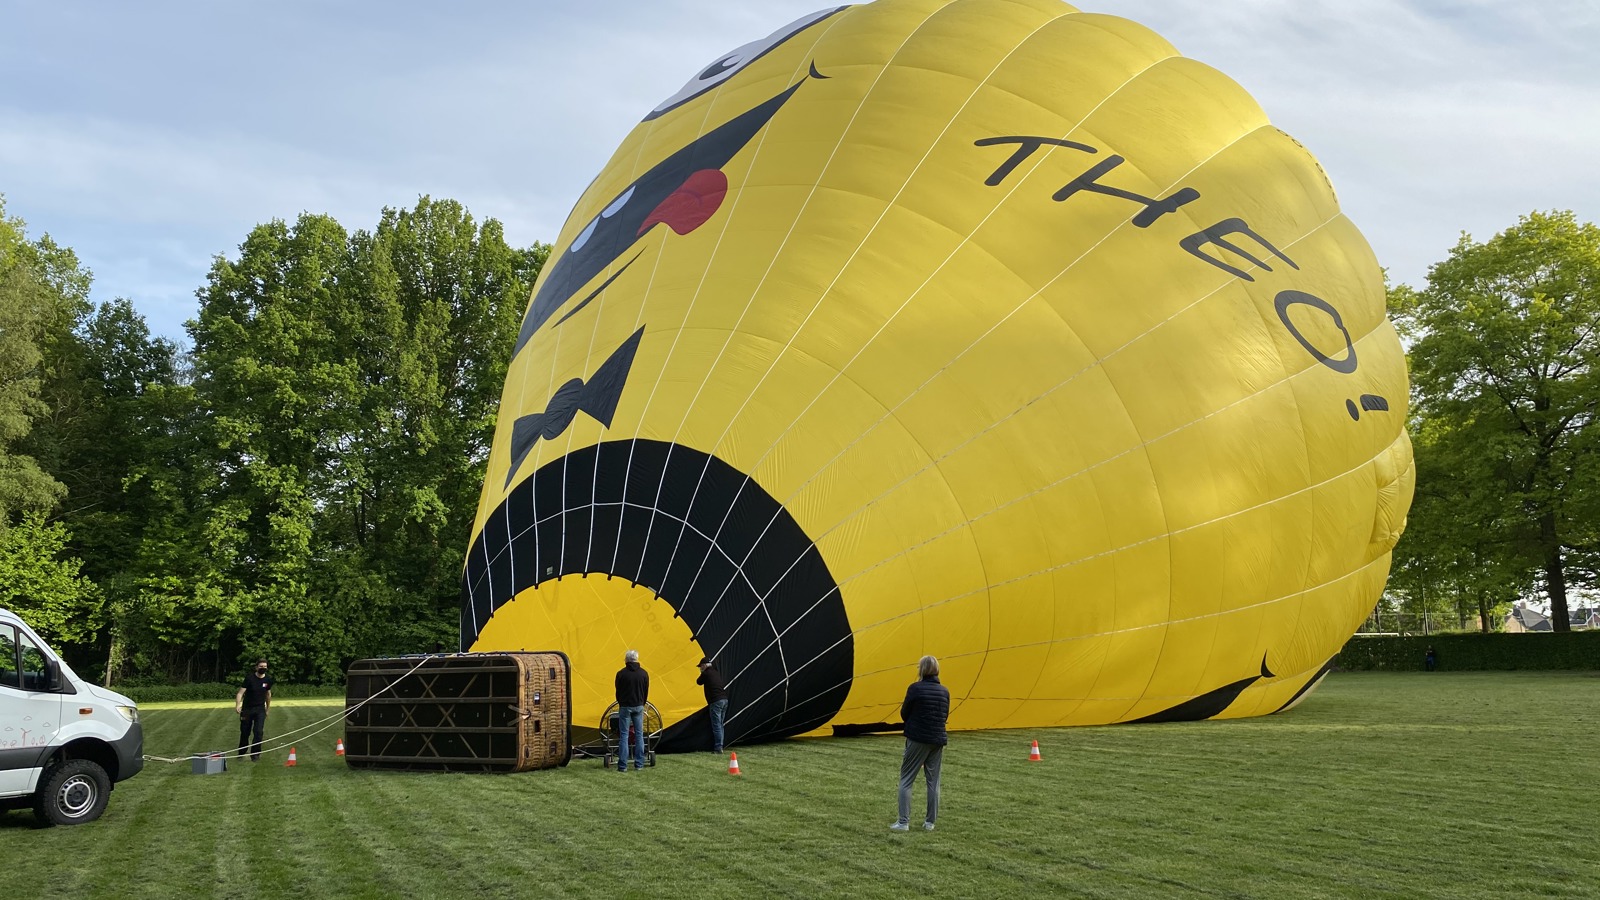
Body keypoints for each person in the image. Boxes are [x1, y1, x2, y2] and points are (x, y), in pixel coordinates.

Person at [892, 654, 949, 832]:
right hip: (937, 739)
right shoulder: (944, 691)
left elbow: (904, 712)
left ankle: (903, 822)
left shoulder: (915, 689)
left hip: (918, 738)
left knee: (906, 779)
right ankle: (930, 822)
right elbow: (945, 715)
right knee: (933, 782)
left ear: (922, 670)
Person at [614, 649, 649, 772]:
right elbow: (646, 692)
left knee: (624, 735)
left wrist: (621, 702)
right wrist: (642, 703)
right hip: (639, 705)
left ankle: (623, 765)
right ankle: (639, 763)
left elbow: (617, 691)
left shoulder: (621, 674)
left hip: (625, 706)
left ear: (626, 660)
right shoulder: (644, 674)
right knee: (639, 734)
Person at [235, 657, 274, 761]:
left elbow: (268, 694)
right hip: (247, 709)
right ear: (256, 667)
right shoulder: (249, 679)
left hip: (260, 709)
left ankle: (255, 755)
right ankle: (241, 753)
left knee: (258, 732)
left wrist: (267, 708)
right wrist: (238, 705)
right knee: (245, 732)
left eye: (265, 667)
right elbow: (240, 693)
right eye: (261, 666)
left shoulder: (268, 680)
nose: (263, 668)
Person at [696, 657, 730, 753]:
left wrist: (702, 672)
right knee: (720, 724)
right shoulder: (715, 672)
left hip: (716, 701)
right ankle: (721, 745)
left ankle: (718, 748)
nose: (700, 668)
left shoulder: (706, 673)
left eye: (701, 667)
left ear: (704, 665)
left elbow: (698, 682)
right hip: (724, 700)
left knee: (716, 726)